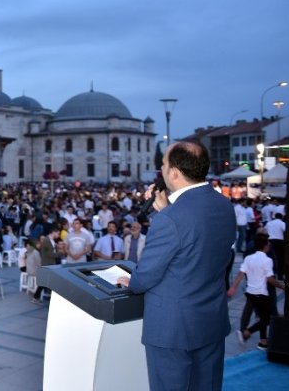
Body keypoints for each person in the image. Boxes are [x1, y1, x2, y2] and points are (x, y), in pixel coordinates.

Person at [117, 141, 235, 390]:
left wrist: (133, 281)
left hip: (172, 329)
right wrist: (166, 212)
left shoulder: (169, 219)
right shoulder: (224, 205)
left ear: (174, 173)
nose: (161, 169)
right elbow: (195, 248)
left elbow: (145, 277)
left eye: (163, 165)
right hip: (210, 320)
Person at [227, 235, 285, 350]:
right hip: (261, 293)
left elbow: (241, 274)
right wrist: (282, 286)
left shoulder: (249, 258)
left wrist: (233, 287)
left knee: (262, 317)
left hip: (250, 292)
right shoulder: (267, 260)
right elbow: (270, 279)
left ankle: (263, 342)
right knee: (267, 319)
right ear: (265, 246)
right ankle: (246, 333)